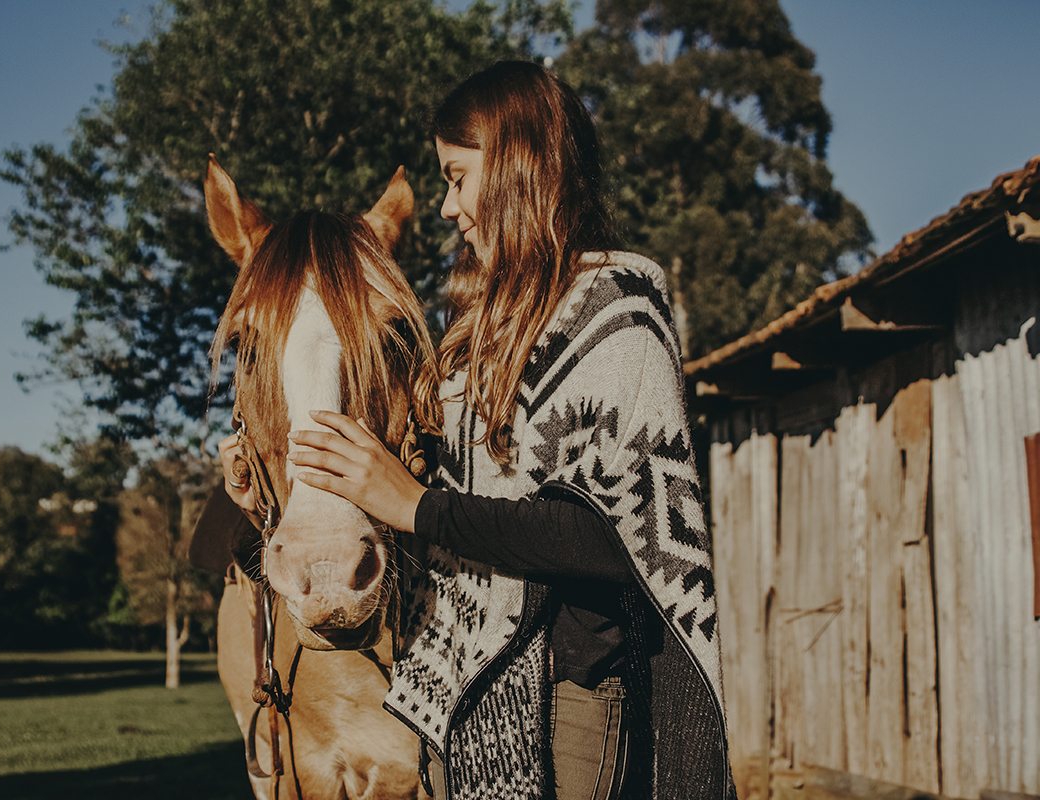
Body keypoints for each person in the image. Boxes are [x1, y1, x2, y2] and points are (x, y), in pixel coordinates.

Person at [223, 60, 733, 800]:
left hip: (569, 701)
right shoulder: (478, 340)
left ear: (522, 169)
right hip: (471, 697)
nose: (446, 206)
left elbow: (616, 542)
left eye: (457, 178)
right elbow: (458, 494)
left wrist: (413, 505)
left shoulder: (617, 312)